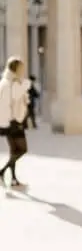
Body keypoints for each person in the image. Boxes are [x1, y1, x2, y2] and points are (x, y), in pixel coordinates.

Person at [0, 57, 30, 188]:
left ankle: (12, 179)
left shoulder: (8, 81)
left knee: (14, 150)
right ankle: (2, 171)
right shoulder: (12, 83)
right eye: (21, 68)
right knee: (22, 149)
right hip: (13, 121)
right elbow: (11, 102)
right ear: (15, 68)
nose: (23, 70)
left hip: (10, 120)